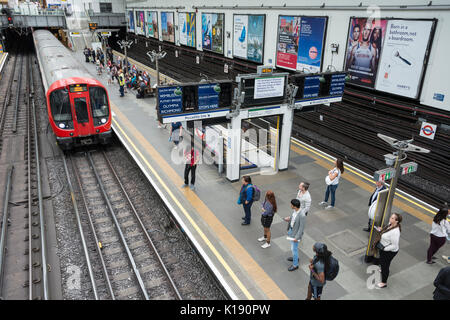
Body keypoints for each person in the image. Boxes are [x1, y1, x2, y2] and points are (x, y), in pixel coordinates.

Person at [374, 213, 402, 288]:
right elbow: (386, 230)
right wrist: (381, 230)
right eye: (391, 217)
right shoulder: (390, 224)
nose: (390, 219)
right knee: (384, 263)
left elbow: (394, 245)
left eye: (393, 218)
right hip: (383, 247)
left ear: (397, 221)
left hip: (389, 251)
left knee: (385, 266)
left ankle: (384, 282)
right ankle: (383, 270)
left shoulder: (395, 232)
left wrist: (384, 249)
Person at [284, 199, 307, 271]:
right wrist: (289, 219)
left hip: (296, 234)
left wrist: (297, 237)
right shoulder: (295, 211)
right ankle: (295, 258)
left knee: (294, 249)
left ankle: (295, 265)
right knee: (293, 248)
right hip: (292, 230)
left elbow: (301, 228)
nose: (290, 205)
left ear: (295, 206)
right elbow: (294, 218)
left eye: (291, 205)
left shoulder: (302, 215)